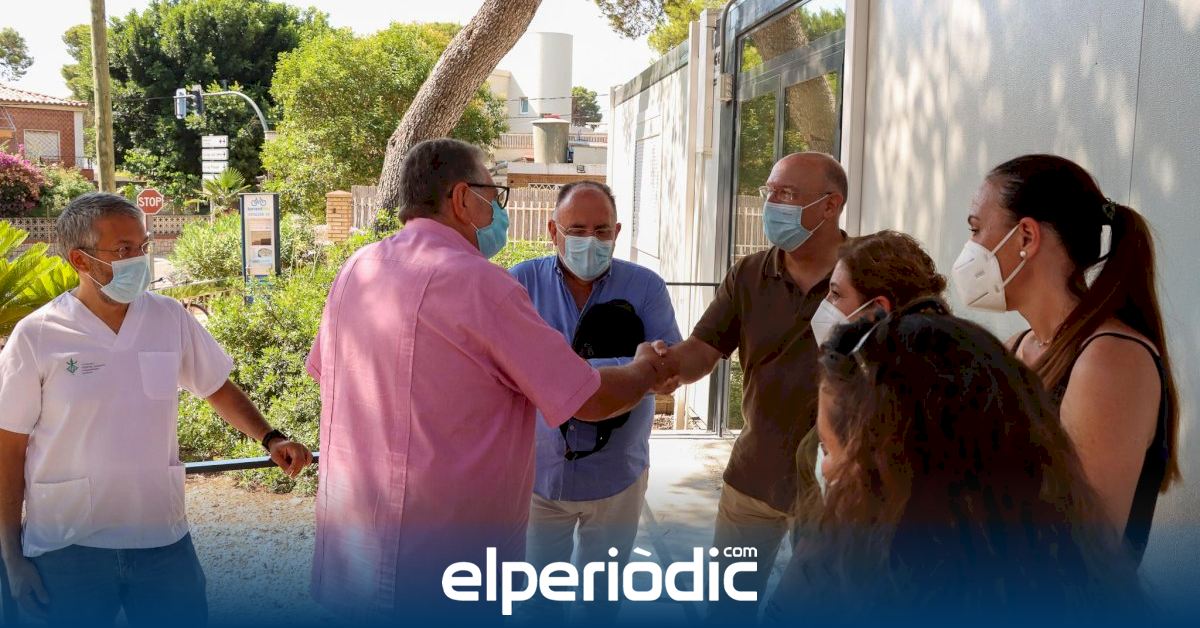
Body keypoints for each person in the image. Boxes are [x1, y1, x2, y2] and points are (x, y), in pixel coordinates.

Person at [305, 138, 673, 621]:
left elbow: (330, 375)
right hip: (447, 561)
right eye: (495, 196)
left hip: (355, 556)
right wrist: (644, 369)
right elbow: (586, 399)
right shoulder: (485, 286)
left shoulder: (357, 269)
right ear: (462, 198)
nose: (499, 211)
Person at [0, 192, 312, 627]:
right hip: (67, 545)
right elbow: (9, 449)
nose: (139, 260)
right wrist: (11, 558)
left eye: (143, 246)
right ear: (80, 260)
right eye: (123, 249)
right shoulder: (37, 335)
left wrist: (270, 437)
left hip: (161, 540)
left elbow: (216, 387)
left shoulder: (168, 318)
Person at [766, 301, 1144, 622]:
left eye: (829, 449)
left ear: (886, 464)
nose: (825, 468)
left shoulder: (844, 583)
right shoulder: (1069, 567)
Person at [953, 154, 1179, 563]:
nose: (969, 248)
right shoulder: (1016, 348)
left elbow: (1086, 550)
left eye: (976, 229)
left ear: (1025, 237)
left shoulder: (1110, 359)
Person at [653, 152, 848, 620]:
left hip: (838, 489)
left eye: (788, 194)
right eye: (770, 192)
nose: (773, 204)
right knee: (727, 608)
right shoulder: (749, 274)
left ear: (830, 205)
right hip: (754, 478)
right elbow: (703, 349)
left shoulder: (867, 273)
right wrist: (659, 366)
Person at [510, 181, 683, 623]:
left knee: (601, 601)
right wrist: (629, 369)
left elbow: (669, 373)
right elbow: (506, 371)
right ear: (553, 230)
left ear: (617, 231)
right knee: (537, 602)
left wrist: (563, 374)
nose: (591, 240)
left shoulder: (645, 287)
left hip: (617, 477)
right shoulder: (520, 283)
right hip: (539, 476)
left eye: (602, 230)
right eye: (577, 229)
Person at [799, 230, 946, 522]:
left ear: (877, 310)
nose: (825, 304)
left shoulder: (909, 415)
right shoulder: (857, 383)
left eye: (836, 294)